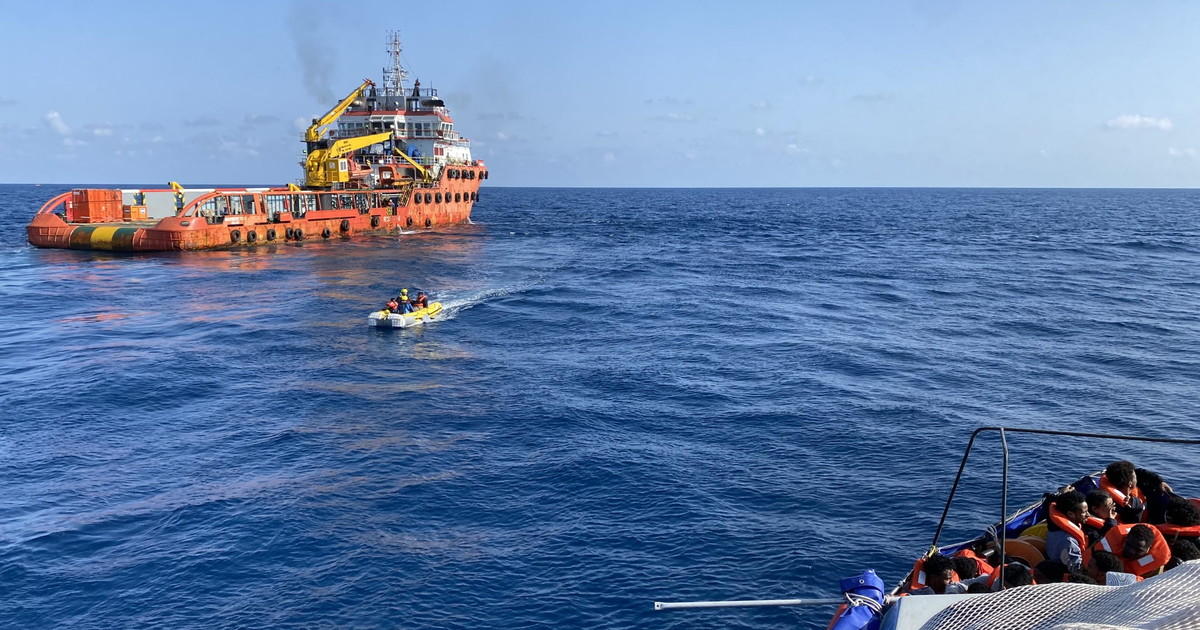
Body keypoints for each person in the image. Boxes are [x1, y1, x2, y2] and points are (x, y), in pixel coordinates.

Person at [1094, 523, 1171, 578]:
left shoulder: (1155, 566)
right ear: (1126, 539)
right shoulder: (1110, 544)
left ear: (1148, 548)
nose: (1131, 551)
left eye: (1138, 550)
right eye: (1129, 545)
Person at [1047, 490, 1090, 574]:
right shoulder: (1068, 542)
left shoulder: (1054, 525)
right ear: (1070, 514)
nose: (1088, 515)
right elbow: (1077, 570)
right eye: (1084, 512)